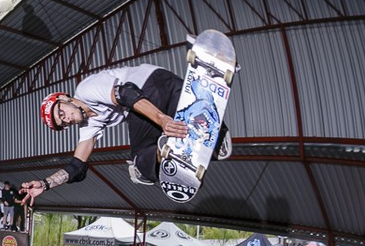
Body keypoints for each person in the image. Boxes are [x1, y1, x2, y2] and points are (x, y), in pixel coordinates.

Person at [16, 63, 233, 205]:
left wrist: (162, 120)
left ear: (65, 98)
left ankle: (160, 154)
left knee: (139, 163)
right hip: (166, 81)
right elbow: (77, 167)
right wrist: (44, 184)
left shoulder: (86, 89)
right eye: (62, 122)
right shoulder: (89, 126)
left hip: (147, 88)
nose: (67, 119)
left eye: (61, 112)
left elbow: (125, 93)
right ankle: (216, 137)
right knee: (191, 114)